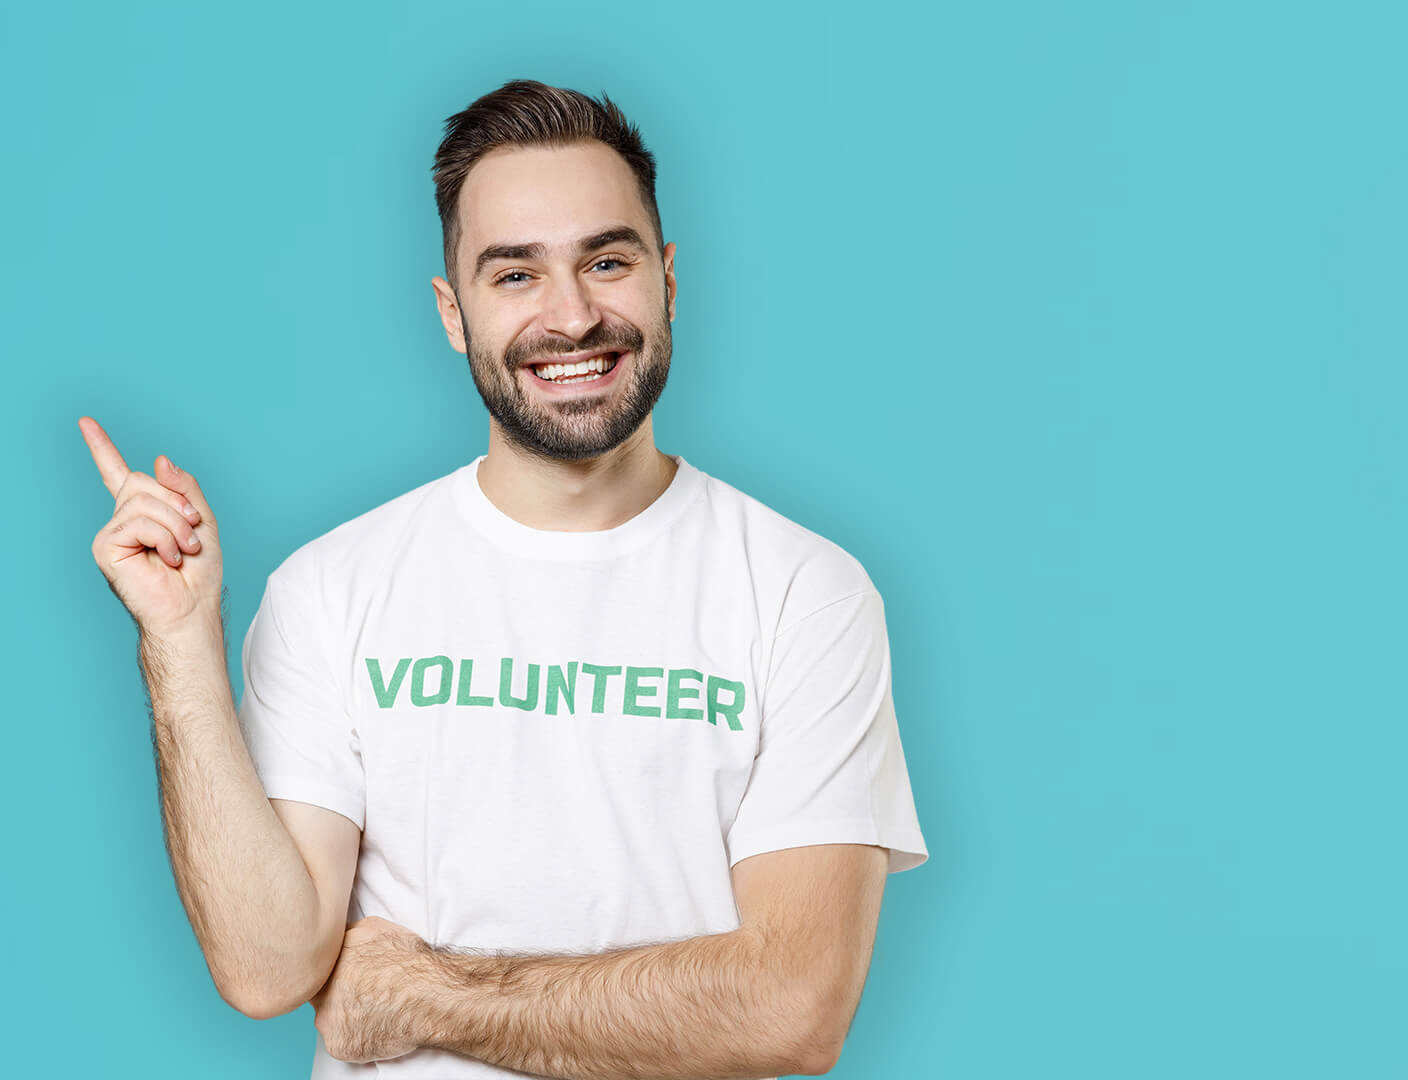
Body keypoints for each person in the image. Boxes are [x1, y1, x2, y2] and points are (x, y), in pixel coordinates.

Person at [80, 78, 929, 1079]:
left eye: (606, 262)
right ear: (454, 312)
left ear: (667, 280)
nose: (571, 317)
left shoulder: (804, 593)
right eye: (516, 274)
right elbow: (269, 967)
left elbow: (793, 1009)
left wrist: (420, 993)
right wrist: (179, 645)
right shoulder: (333, 590)